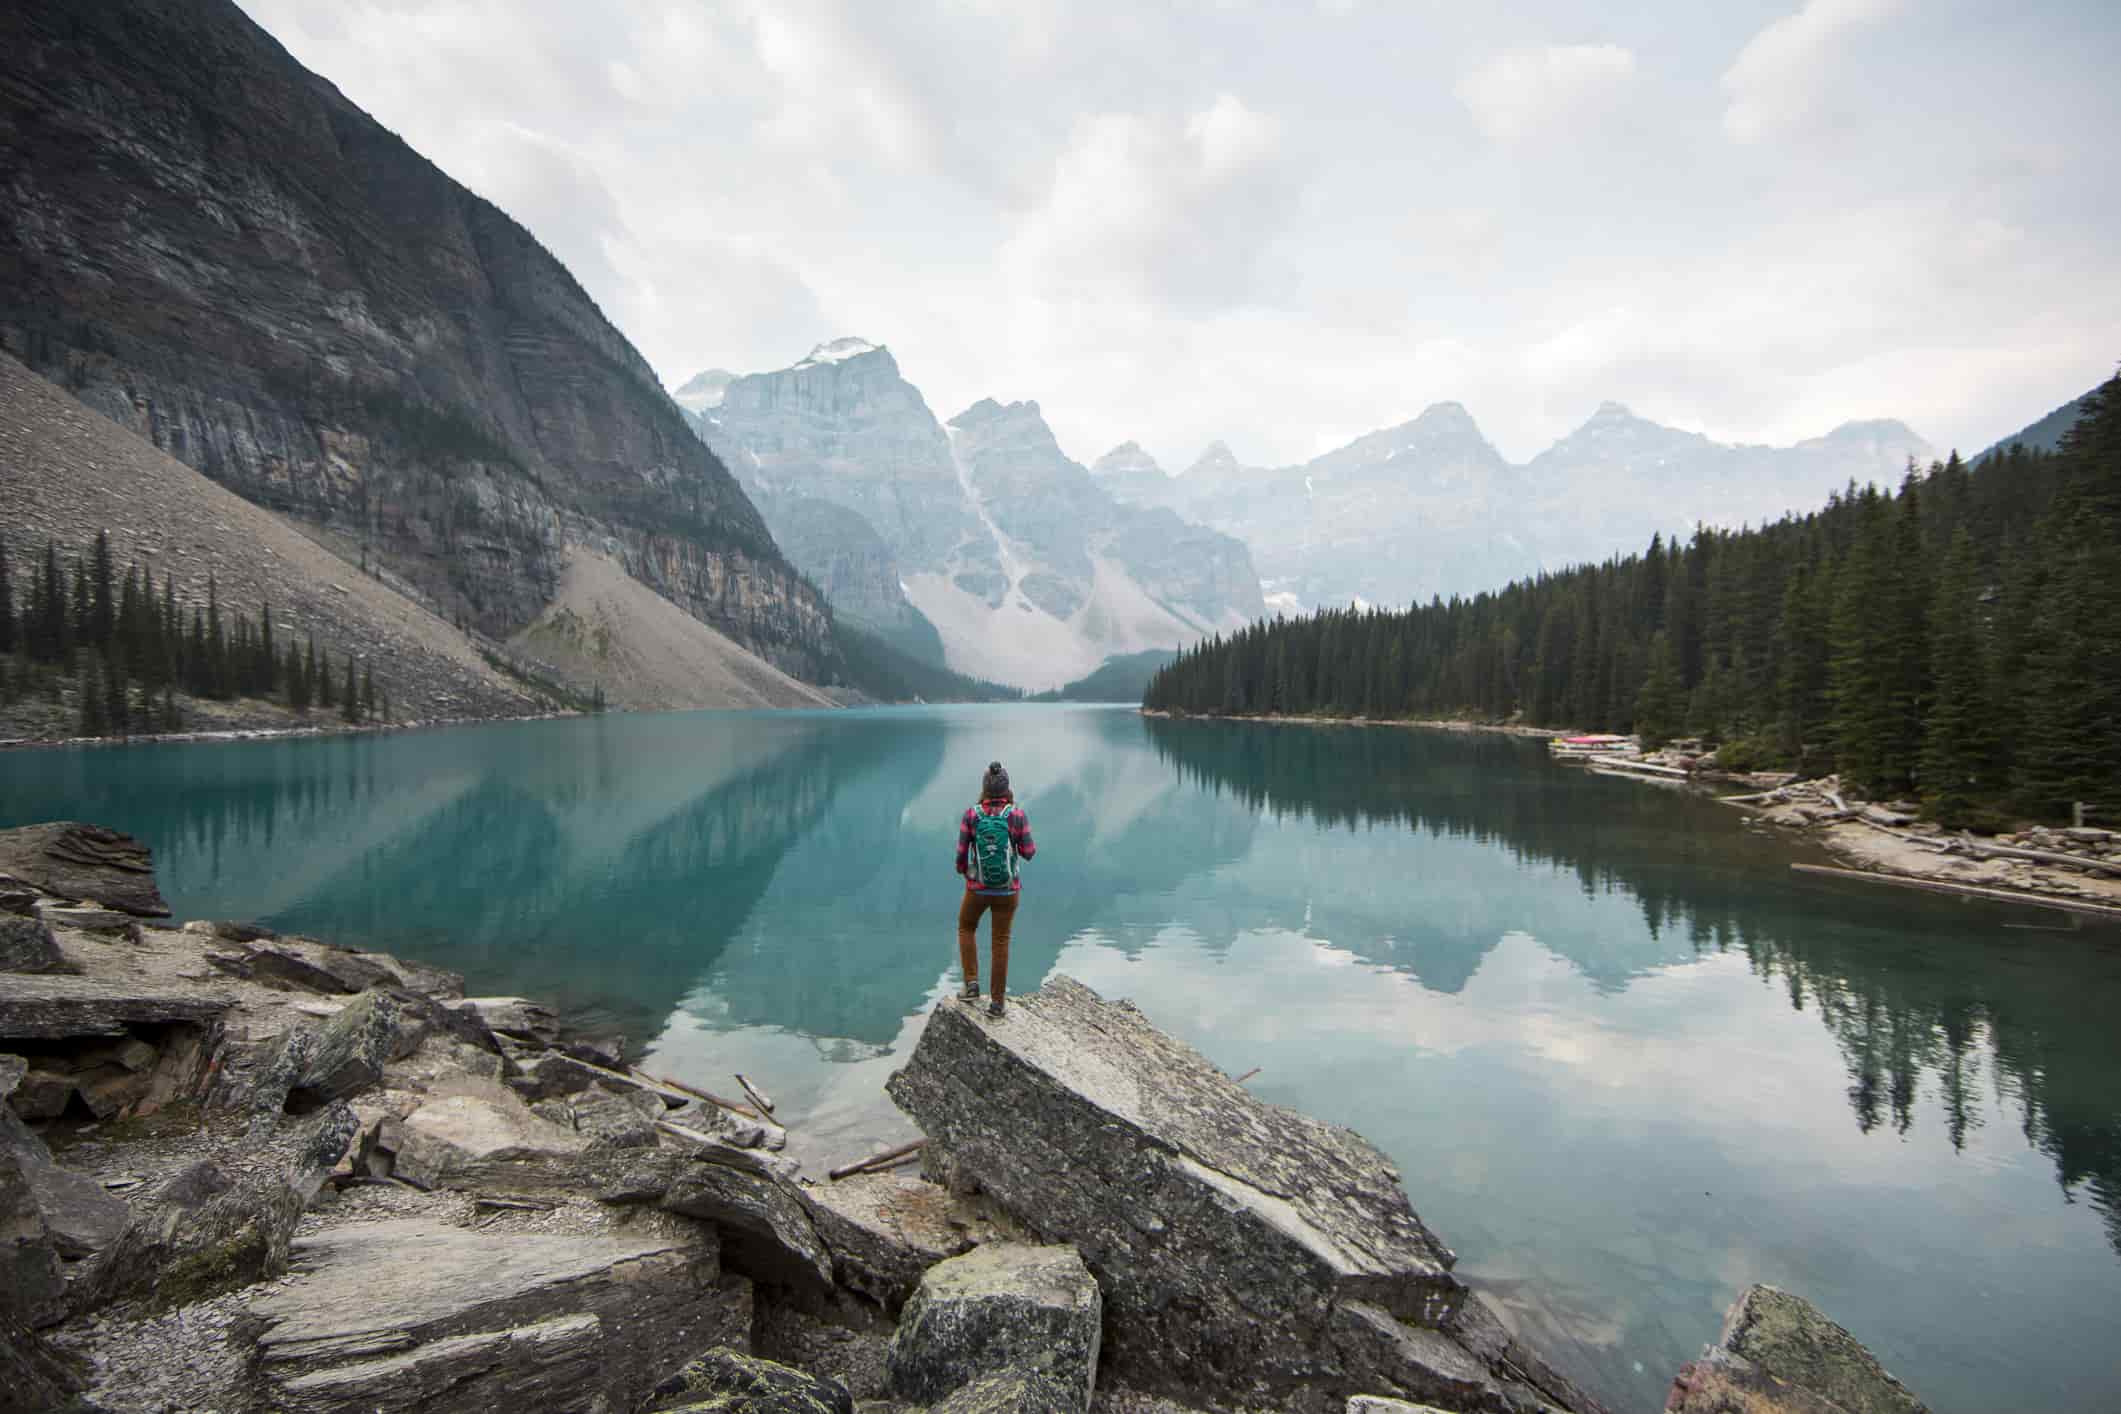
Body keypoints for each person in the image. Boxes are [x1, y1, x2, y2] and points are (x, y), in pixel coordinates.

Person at [953, 760, 1035, 1017]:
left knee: (966, 927)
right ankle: (997, 1004)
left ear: (985, 788)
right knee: (1000, 941)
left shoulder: (971, 815)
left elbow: (960, 858)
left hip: (977, 888)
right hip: (1008, 890)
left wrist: (967, 872)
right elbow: (1029, 852)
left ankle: (972, 985)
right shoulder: (1016, 815)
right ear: (1006, 788)